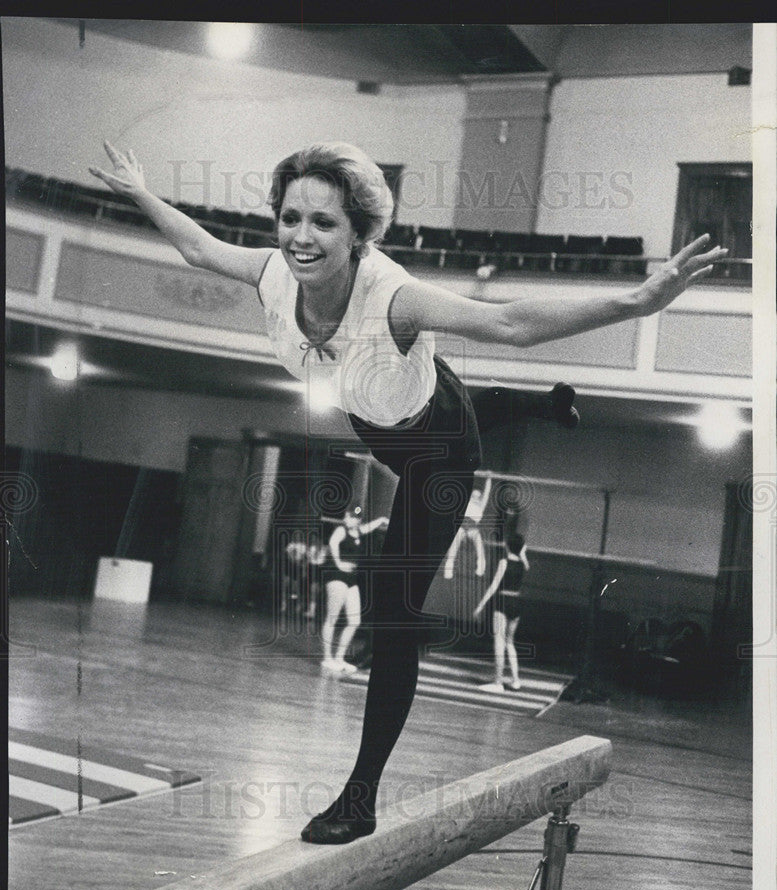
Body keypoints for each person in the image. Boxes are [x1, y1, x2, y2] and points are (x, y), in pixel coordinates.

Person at [90, 139, 726, 844]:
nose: (302, 237)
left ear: (359, 233)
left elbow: (507, 322)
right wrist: (139, 191)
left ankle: (357, 799)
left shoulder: (393, 298)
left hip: (437, 453)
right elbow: (203, 250)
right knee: (422, 407)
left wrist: (636, 301)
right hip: (387, 413)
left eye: (324, 223)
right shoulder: (274, 274)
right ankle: (528, 403)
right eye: (291, 217)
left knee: (390, 609)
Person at [321, 507, 388, 673]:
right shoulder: (340, 530)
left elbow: (368, 527)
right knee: (332, 619)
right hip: (337, 576)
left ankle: (339, 658)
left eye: (356, 518)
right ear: (346, 516)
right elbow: (332, 543)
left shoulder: (358, 531)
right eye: (350, 516)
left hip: (351, 579)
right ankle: (327, 658)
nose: (353, 520)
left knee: (354, 621)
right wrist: (338, 563)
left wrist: (380, 521)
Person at [473, 531, 531, 692]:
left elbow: (494, 586)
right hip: (516, 603)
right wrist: (523, 552)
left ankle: (498, 683)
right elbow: (527, 563)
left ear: (507, 546)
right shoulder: (522, 564)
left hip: (503, 602)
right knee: (509, 642)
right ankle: (516, 681)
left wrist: (481, 605)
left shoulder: (504, 562)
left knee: (499, 641)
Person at [443, 475, 492, 579]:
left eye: (478, 497)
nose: (475, 498)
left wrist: (489, 479)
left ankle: (480, 570)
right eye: (473, 496)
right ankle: (448, 571)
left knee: (480, 548)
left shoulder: (481, 505)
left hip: (473, 528)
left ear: (480, 498)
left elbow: (487, 493)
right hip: (461, 527)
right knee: (453, 549)